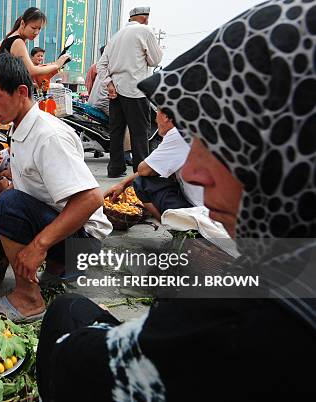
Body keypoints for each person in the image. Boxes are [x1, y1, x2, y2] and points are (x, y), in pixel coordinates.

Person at [36, 1, 316, 400]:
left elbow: (79, 368)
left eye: (219, 143)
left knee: (66, 316)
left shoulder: (240, 318)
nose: (197, 171)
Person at [0, 54, 113, 323]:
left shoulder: (48, 135)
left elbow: (91, 199)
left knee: (9, 205)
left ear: (21, 92)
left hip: (82, 243)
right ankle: (51, 267)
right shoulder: (20, 127)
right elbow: (33, 188)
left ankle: (29, 298)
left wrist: (38, 246)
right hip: (59, 225)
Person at [97, 6, 163, 177]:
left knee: (116, 131)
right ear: (145, 18)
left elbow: (101, 65)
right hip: (135, 89)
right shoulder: (145, 31)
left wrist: (109, 84)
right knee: (140, 132)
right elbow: (155, 60)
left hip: (115, 91)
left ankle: (115, 169)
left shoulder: (116, 36)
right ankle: (140, 173)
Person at [105, 109, 204, 221]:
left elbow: (143, 170)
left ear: (166, 116)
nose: (155, 118)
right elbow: (153, 168)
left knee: (142, 183)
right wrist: (122, 185)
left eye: (157, 111)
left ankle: (181, 228)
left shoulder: (179, 134)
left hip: (204, 213)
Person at [0, 8, 69, 81]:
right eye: (33, 28)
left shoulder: (10, 36)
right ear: (22, 23)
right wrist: (57, 65)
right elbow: (31, 70)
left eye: (39, 29)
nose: (36, 32)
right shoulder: (18, 42)